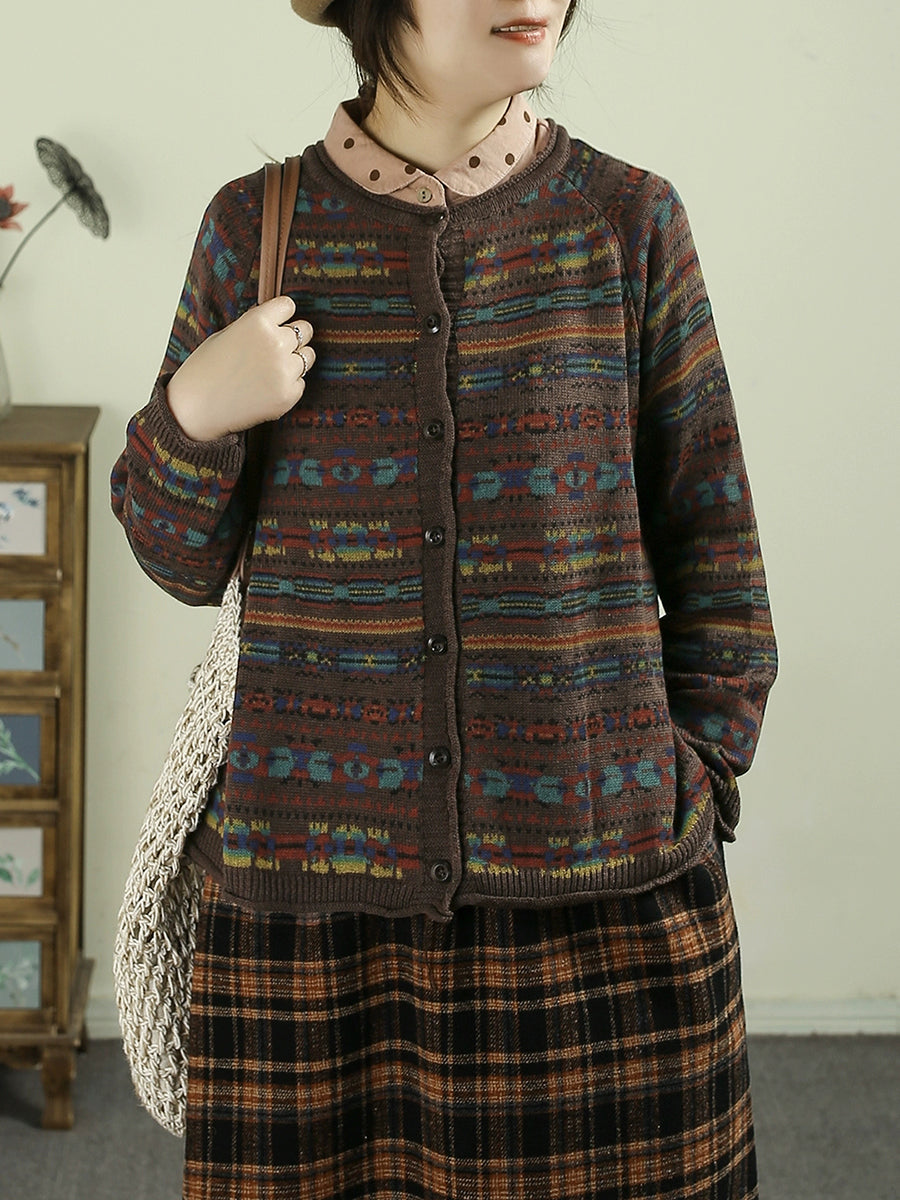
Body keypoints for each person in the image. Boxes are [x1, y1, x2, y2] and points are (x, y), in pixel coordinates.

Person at [111, 1, 778, 1196]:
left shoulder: (627, 222)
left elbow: (717, 552)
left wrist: (695, 782)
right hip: (310, 924)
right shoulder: (255, 229)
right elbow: (179, 562)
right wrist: (194, 415)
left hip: (605, 901)